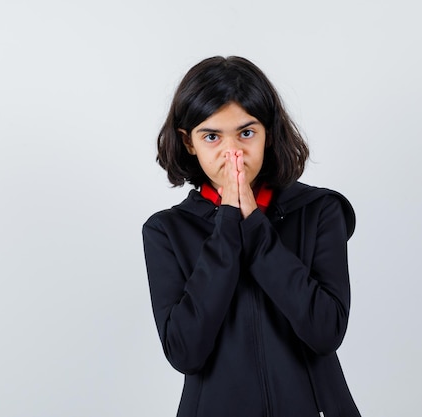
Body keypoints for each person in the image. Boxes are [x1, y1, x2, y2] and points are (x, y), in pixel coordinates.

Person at [142, 56, 361, 417]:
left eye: (246, 133)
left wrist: (256, 229)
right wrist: (228, 225)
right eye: (212, 136)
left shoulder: (320, 210)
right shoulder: (165, 231)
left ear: (268, 134)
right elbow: (185, 352)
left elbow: (325, 332)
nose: (234, 154)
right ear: (189, 142)